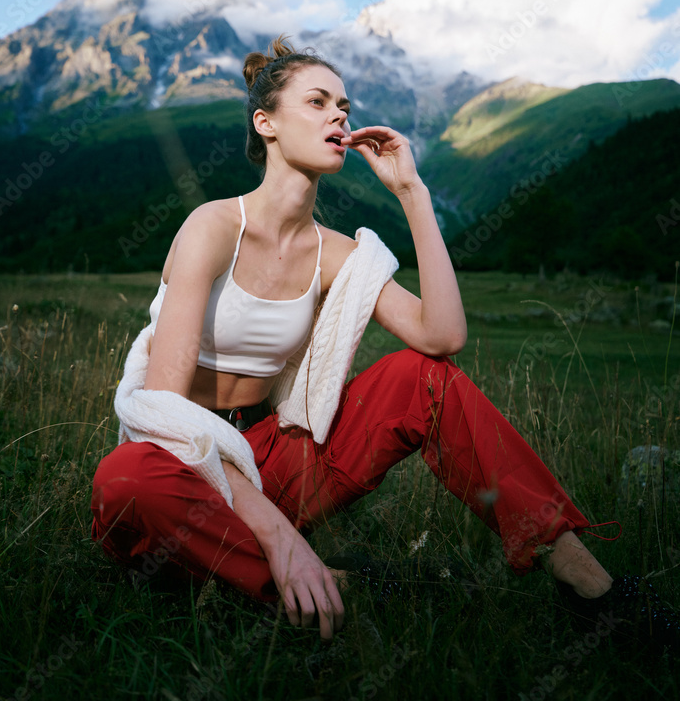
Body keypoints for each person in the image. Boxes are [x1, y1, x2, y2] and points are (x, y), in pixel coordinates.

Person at [91, 36, 678, 649]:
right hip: (180, 464)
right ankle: (326, 584)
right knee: (124, 479)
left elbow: (442, 336)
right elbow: (162, 410)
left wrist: (412, 192)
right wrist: (278, 532)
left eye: (343, 104)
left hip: (268, 458)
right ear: (265, 123)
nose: (339, 115)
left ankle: (592, 587)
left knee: (422, 377)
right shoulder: (213, 226)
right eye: (317, 102)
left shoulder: (336, 252)